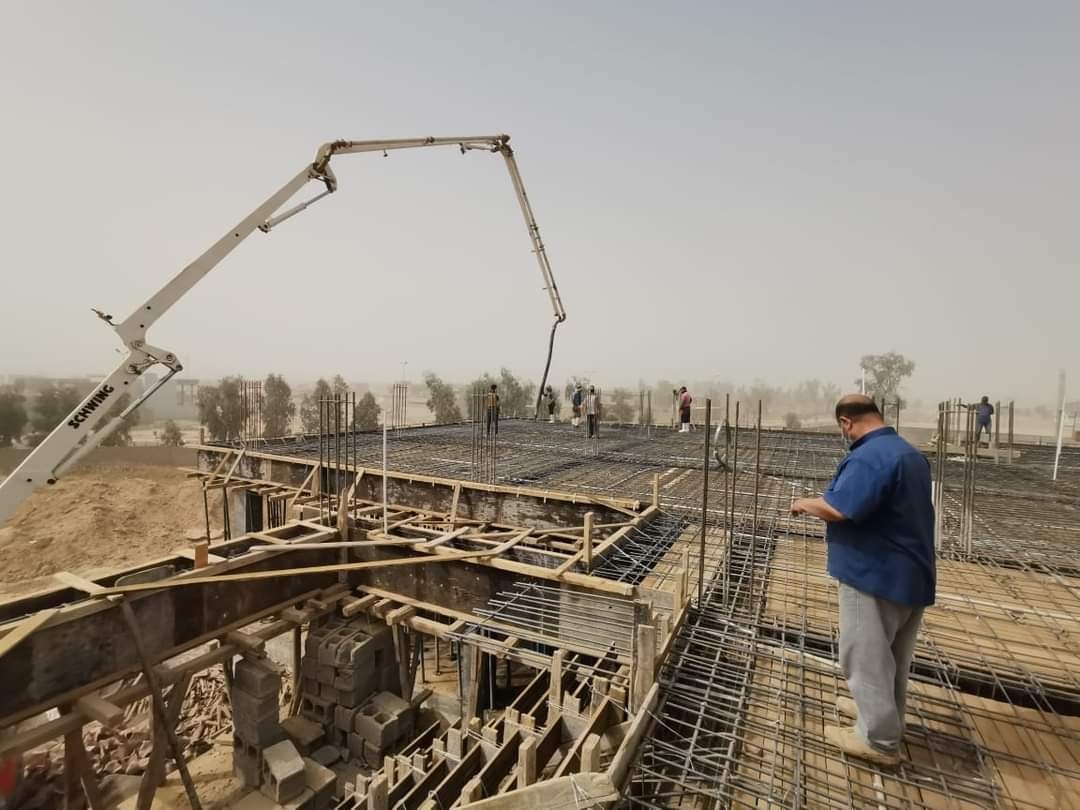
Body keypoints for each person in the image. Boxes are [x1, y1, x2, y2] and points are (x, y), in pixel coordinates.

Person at [791, 394, 935, 766]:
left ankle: (878, 739)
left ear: (846, 422)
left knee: (865, 657)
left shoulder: (870, 456)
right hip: (909, 574)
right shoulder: (905, 451)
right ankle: (882, 716)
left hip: (873, 573)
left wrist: (805, 503)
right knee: (892, 659)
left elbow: (840, 508)